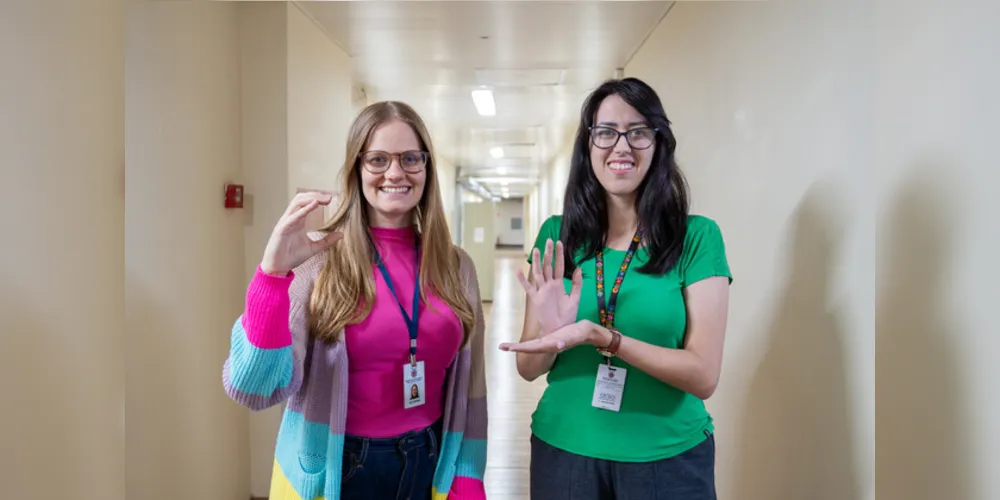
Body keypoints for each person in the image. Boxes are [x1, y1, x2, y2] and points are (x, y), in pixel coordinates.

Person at [223, 101, 488, 500]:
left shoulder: (456, 266)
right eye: (378, 159)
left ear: (427, 169)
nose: (395, 173)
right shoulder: (316, 263)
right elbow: (254, 388)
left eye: (410, 159)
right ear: (356, 170)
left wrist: (467, 477)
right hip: (336, 469)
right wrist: (272, 276)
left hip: (428, 461)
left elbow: (471, 389)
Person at [500, 77, 732, 499]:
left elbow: (703, 376)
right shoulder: (558, 236)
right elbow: (528, 368)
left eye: (638, 132)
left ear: (659, 144)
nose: (621, 147)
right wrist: (550, 337)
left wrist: (604, 338)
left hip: (668, 460)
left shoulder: (697, 238)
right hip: (565, 453)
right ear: (587, 146)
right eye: (606, 132)